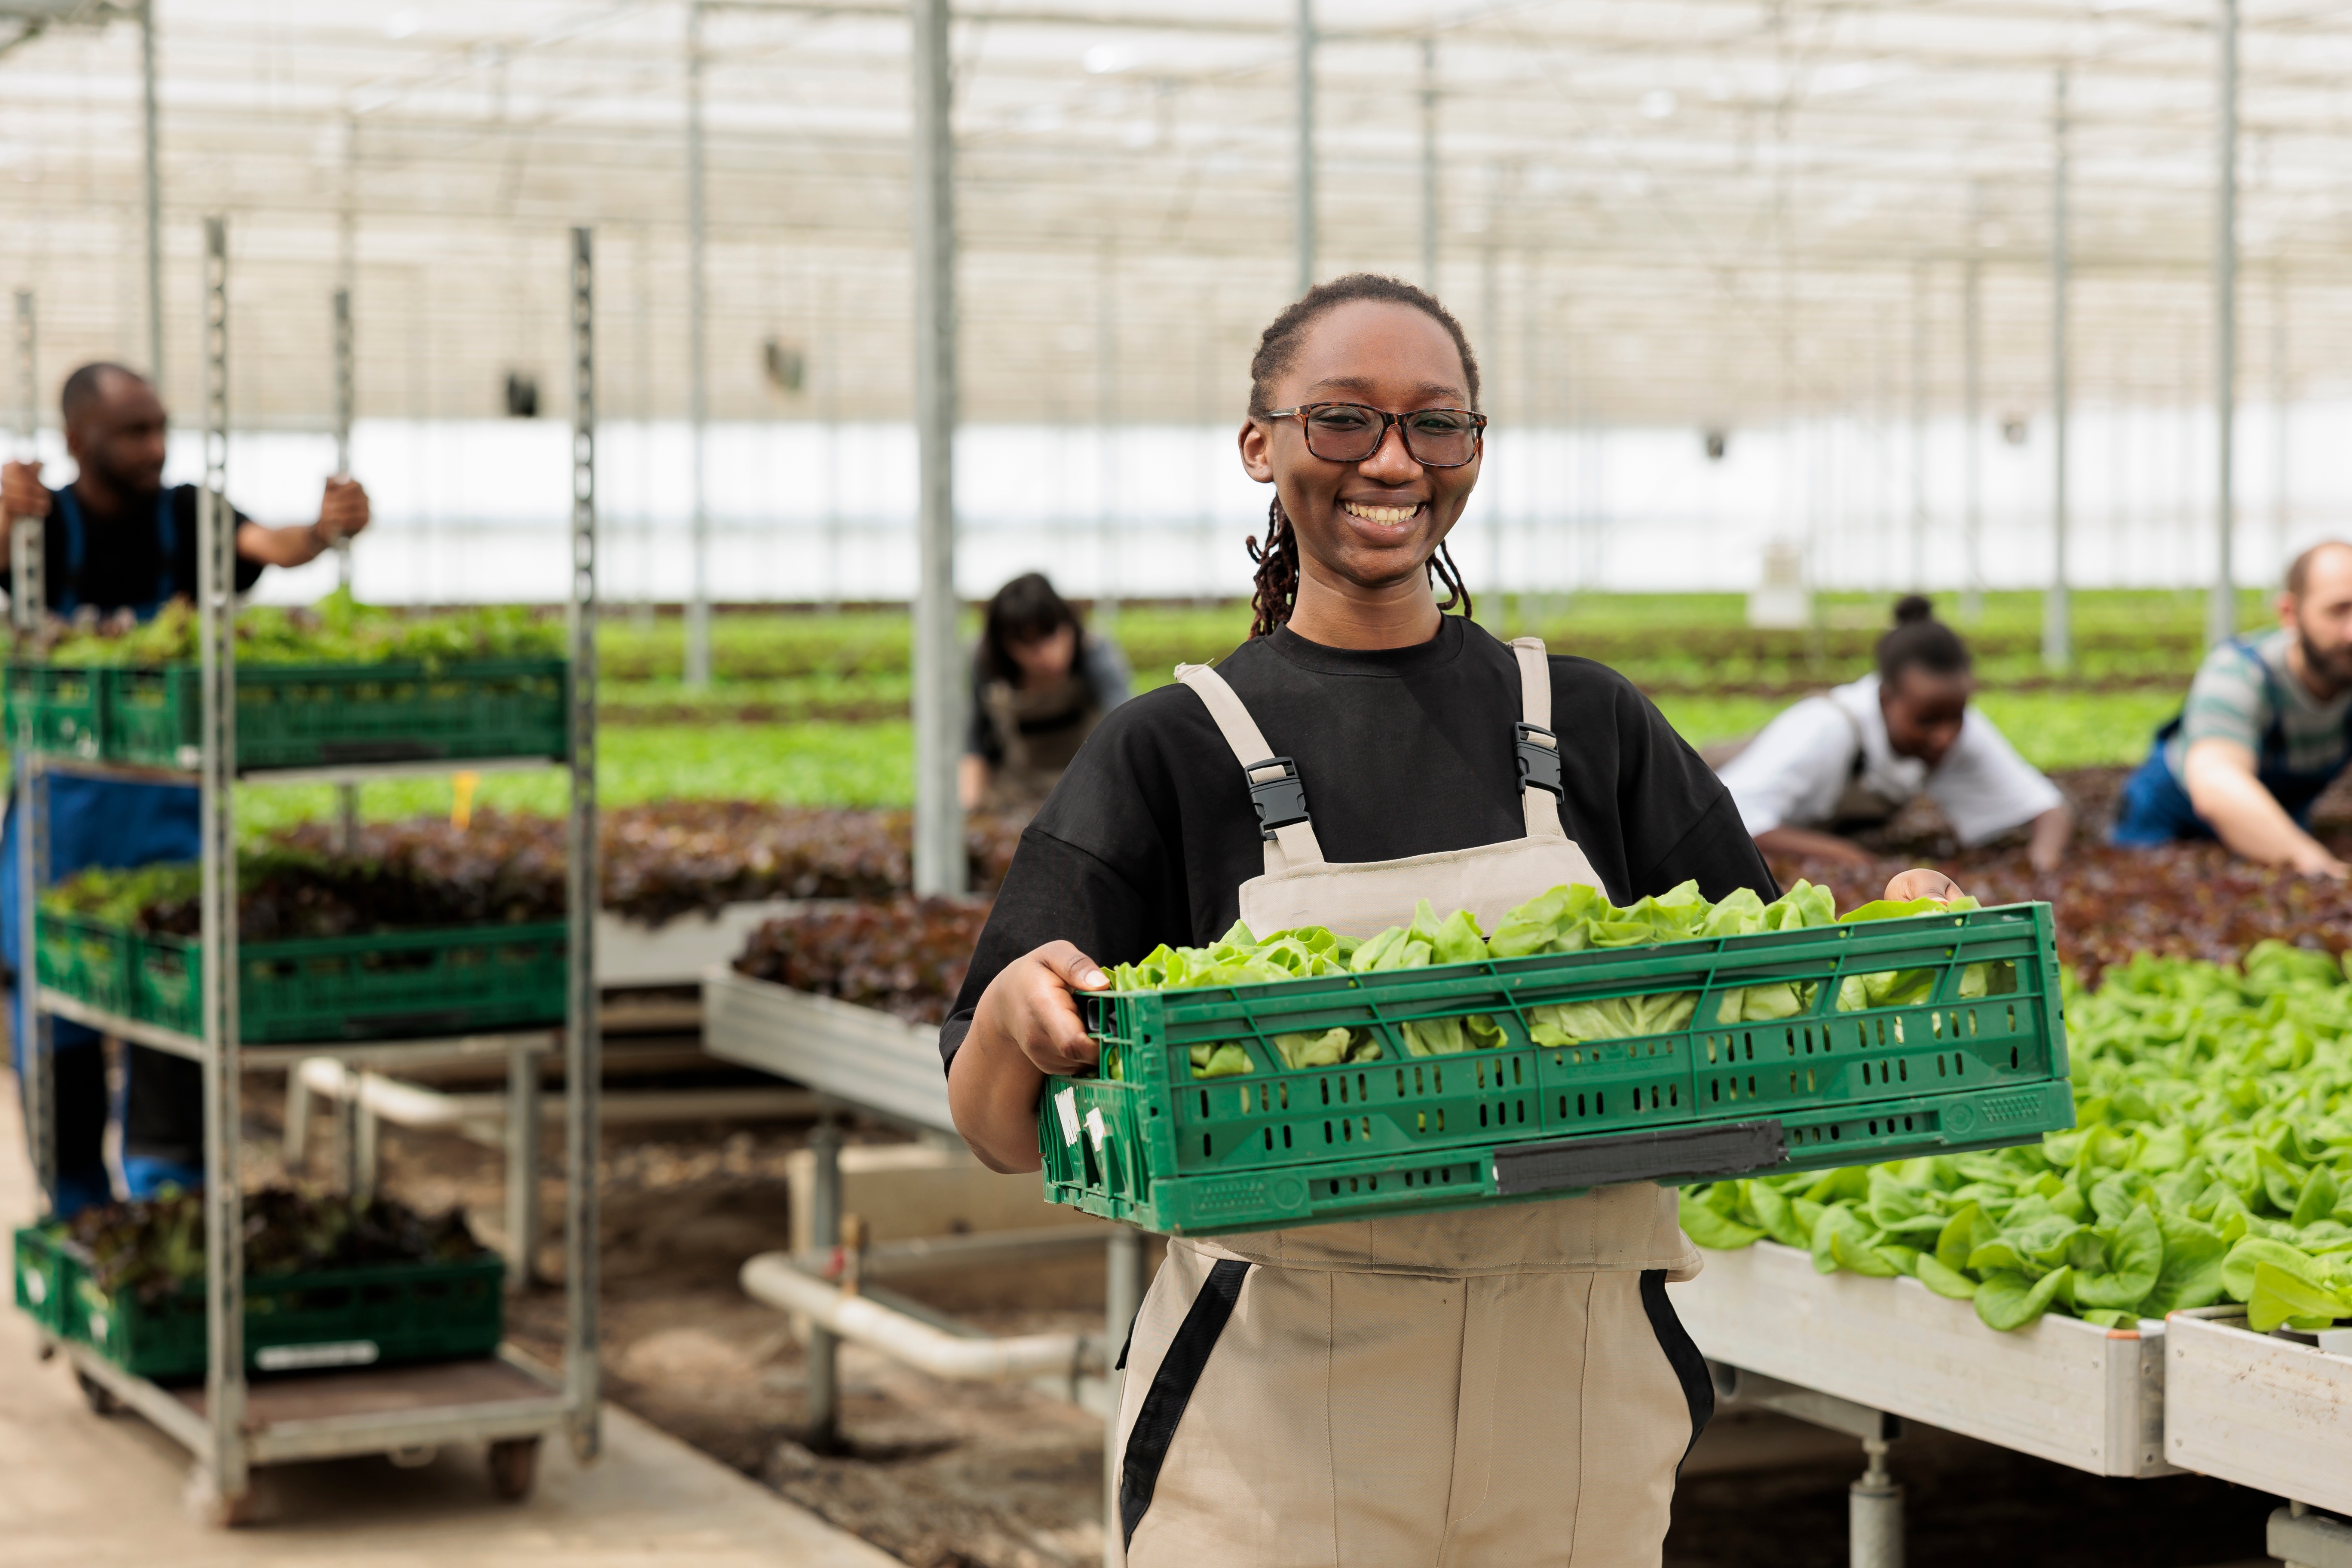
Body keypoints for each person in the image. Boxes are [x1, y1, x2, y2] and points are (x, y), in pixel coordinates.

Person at [940, 274, 1958, 1564]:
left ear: (1475, 447)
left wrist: (1892, 947)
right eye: (1342, 420)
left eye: (1436, 424)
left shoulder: (1589, 725)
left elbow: (1760, 1016)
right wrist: (1030, 1011)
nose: (1393, 460)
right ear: (1260, 442)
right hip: (1283, 1414)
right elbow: (989, 1124)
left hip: (1578, 1400)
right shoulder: (1171, 750)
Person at [0, 361, 370, 1214]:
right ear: (77, 441)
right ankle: (81, 1219)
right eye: (133, 432)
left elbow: (268, 545)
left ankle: (173, 1212)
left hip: (169, 832)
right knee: (56, 1043)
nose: (154, 447)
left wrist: (322, 530)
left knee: (175, 1023)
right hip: (62, 835)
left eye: (160, 427)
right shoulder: (41, 525)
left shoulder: (190, 514)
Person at [1717, 595, 2073, 873]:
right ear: (1887, 699)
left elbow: (2048, 809)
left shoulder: (1956, 725)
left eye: (1957, 717)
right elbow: (1730, 820)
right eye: (1927, 721)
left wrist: (2043, 863)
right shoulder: (1825, 728)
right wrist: (1847, 857)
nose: (1945, 737)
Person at [2111, 542, 2352, 874]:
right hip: (2169, 834)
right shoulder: (2240, 673)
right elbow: (2217, 784)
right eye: (2339, 610)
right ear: (2290, 614)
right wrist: (2314, 864)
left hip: (2273, 833)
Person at [958, 572, 1130, 814]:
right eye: (1028, 644)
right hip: (1015, 800)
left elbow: (1125, 729)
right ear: (1005, 645)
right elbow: (976, 740)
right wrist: (968, 814)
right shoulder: (985, 662)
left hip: (1086, 799)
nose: (1048, 653)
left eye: (1052, 634)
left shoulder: (1094, 653)